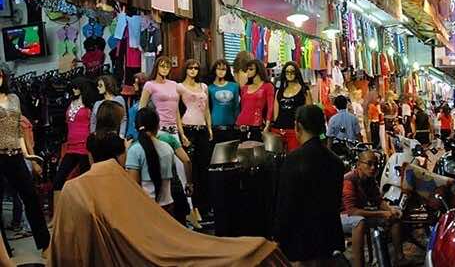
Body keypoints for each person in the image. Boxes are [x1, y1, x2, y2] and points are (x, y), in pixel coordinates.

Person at [50, 112, 284, 267]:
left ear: (91, 154)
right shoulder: (161, 150)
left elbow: (68, 245)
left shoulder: (75, 189)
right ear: (121, 154)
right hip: (166, 211)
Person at [274, 105, 345, 265]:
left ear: (297, 127)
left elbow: (285, 204)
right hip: (329, 237)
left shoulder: (293, 160)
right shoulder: (335, 161)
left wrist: (278, 237)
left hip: (301, 241)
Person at [0, 67, 50, 257]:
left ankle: (45, 244)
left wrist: (28, 154)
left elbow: (19, 130)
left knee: (31, 196)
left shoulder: (14, 99)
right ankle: (4, 252)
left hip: (15, 155)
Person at [139, 56, 193, 225]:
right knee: (165, 170)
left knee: (183, 169)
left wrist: (182, 132)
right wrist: (144, 130)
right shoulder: (150, 85)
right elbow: (142, 108)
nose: (165, 68)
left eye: (167, 66)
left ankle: (187, 211)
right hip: (159, 131)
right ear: (157, 67)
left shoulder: (174, 85)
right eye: (162, 65)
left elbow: (176, 110)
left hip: (174, 130)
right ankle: (165, 212)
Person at [341, 150, 402, 267]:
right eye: (369, 164)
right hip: (342, 216)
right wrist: (382, 214)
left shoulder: (369, 179)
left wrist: (389, 209)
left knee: (394, 217)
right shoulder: (349, 180)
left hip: (358, 213)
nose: (373, 167)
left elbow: (378, 200)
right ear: (359, 164)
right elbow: (352, 211)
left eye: (376, 164)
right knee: (359, 222)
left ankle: (399, 258)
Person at [51, 77, 95, 226]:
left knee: (85, 183)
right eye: (73, 87)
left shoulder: (90, 106)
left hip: (84, 147)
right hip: (71, 147)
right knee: (58, 180)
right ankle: (56, 217)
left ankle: (88, 216)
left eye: (76, 87)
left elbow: (92, 127)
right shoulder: (71, 103)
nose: (73, 89)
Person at [178, 59, 213, 222]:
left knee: (204, 167)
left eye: (196, 68)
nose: (193, 71)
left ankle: (205, 207)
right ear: (185, 69)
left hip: (202, 129)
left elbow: (206, 110)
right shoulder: (180, 87)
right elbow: (176, 111)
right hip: (188, 128)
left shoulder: (204, 87)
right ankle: (194, 208)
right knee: (191, 170)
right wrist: (181, 132)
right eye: (190, 68)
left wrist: (209, 127)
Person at [126, 108, 175, 212]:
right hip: (167, 206)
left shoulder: (134, 150)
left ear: (135, 126)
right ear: (158, 126)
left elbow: (133, 185)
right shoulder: (168, 148)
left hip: (145, 208)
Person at [272, 61, 312, 152]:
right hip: (278, 130)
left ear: (296, 73)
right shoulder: (279, 92)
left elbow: (309, 113)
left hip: (295, 131)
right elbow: (275, 114)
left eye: (292, 71)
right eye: (287, 72)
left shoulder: (304, 91)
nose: (289, 74)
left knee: (295, 158)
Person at [236, 59, 274, 142]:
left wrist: (267, 125)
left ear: (259, 69)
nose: (248, 72)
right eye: (247, 70)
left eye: (251, 69)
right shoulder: (245, 88)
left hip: (257, 125)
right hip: (241, 124)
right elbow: (242, 107)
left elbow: (271, 107)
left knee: (257, 152)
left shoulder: (268, 86)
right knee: (242, 152)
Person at [208, 59, 240, 143]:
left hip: (232, 125)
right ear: (214, 70)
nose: (221, 72)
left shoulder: (234, 86)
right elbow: (207, 108)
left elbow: (236, 106)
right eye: (218, 69)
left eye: (223, 69)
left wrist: (237, 122)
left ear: (227, 71)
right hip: (215, 124)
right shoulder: (209, 87)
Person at [126, 73, 147, 141]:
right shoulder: (133, 99)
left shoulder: (147, 101)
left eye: (136, 83)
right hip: (130, 135)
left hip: (139, 137)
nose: (133, 85)